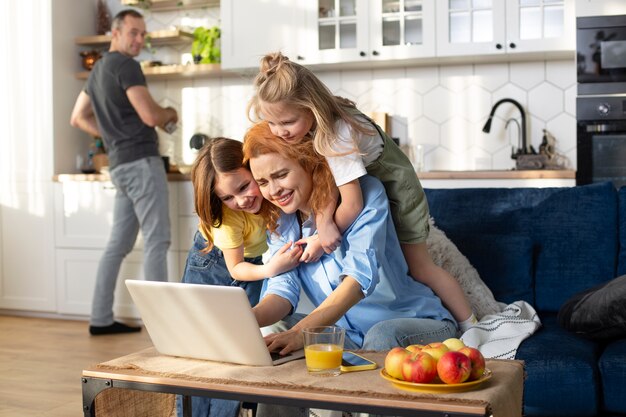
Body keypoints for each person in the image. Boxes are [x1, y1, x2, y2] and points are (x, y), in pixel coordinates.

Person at [247, 52, 477, 331]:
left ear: (311, 108)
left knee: (420, 267)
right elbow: (330, 181)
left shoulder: (336, 134)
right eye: (272, 123)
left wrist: (321, 238)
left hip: (398, 188)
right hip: (360, 182)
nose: (279, 132)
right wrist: (324, 217)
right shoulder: (317, 134)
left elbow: (353, 202)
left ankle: (471, 325)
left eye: (287, 122)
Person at [243, 122, 456, 416]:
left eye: (280, 175)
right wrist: (242, 323)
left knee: (381, 336)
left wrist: (302, 332)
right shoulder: (281, 221)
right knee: (275, 332)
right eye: (263, 182)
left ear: (308, 163)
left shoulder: (366, 194)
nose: (273, 190)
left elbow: (358, 280)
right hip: (346, 333)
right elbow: (282, 292)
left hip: (415, 322)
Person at [70, 9, 178, 335]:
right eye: (133, 32)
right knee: (158, 241)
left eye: (143, 34)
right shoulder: (127, 66)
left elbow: (78, 117)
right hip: (142, 163)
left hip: (119, 165)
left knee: (117, 245)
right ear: (115, 33)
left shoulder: (99, 69)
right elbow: (150, 116)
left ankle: (100, 318)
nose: (139, 40)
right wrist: (170, 112)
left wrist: (112, 136)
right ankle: (162, 326)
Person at [176, 137, 302, 417]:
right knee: (199, 349)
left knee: (238, 347)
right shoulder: (227, 216)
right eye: (227, 197)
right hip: (214, 264)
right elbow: (236, 268)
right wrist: (271, 269)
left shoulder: (272, 193)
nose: (241, 201)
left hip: (253, 266)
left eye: (244, 186)